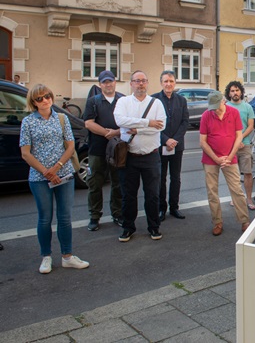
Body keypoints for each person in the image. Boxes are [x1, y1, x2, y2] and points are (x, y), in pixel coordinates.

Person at [20, 84, 89, 274]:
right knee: (45, 218)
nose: (45, 100)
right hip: (39, 177)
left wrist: (57, 168)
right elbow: (25, 153)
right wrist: (46, 171)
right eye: (40, 98)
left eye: (47, 96)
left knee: (65, 217)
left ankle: (67, 256)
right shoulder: (28, 122)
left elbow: (70, 146)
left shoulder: (61, 118)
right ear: (33, 102)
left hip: (64, 174)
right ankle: (46, 257)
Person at [114, 70, 166, 242]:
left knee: (152, 195)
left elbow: (160, 126)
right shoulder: (123, 101)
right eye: (137, 81)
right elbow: (120, 121)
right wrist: (148, 123)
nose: (140, 84)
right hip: (129, 157)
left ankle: (154, 227)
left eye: (143, 81)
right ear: (131, 84)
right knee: (128, 195)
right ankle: (128, 227)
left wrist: (138, 129)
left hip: (151, 156)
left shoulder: (156, 103)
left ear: (147, 83)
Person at [199, 91, 250, 236]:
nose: (215, 110)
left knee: (236, 190)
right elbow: (202, 141)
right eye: (212, 107)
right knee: (212, 191)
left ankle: (245, 220)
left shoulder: (234, 113)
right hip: (210, 159)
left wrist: (230, 156)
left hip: (230, 158)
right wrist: (216, 158)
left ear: (224, 101)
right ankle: (217, 222)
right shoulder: (206, 115)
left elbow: (239, 136)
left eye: (217, 106)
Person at [82, 70, 124, 231]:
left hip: (118, 148)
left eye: (110, 81)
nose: (108, 84)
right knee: (94, 183)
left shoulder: (123, 100)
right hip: (97, 149)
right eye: (105, 82)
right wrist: (108, 133)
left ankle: (117, 213)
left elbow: (129, 122)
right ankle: (94, 216)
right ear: (100, 85)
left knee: (118, 183)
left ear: (115, 82)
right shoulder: (93, 101)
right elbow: (88, 123)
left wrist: (115, 133)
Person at [152, 70, 190, 221]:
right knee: (160, 178)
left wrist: (174, 140)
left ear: (175, 83)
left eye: (171, 81)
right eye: (166, 81)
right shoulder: (154, 99)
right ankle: (162, 208)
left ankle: (174, 207)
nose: (168, 84)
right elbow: (152, 124)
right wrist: (166, 140)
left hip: (177, 145)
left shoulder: (181, 100)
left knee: (176, 178)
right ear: (161, 83)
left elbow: (185, 122)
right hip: (160, 145)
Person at [225, 80, 255, 210]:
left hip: (245, 145)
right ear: (229, 93)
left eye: (237, 90)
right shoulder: (225, 106)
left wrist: (240, 139)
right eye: (232, 91)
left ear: (241, 92)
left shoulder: (247, 107)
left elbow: (250, 126)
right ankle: (235, 198)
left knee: (248, 173)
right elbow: (224, 127)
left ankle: (249, 199)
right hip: (230, 146)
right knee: (233, 174)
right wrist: (234, 142)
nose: (235, 93)